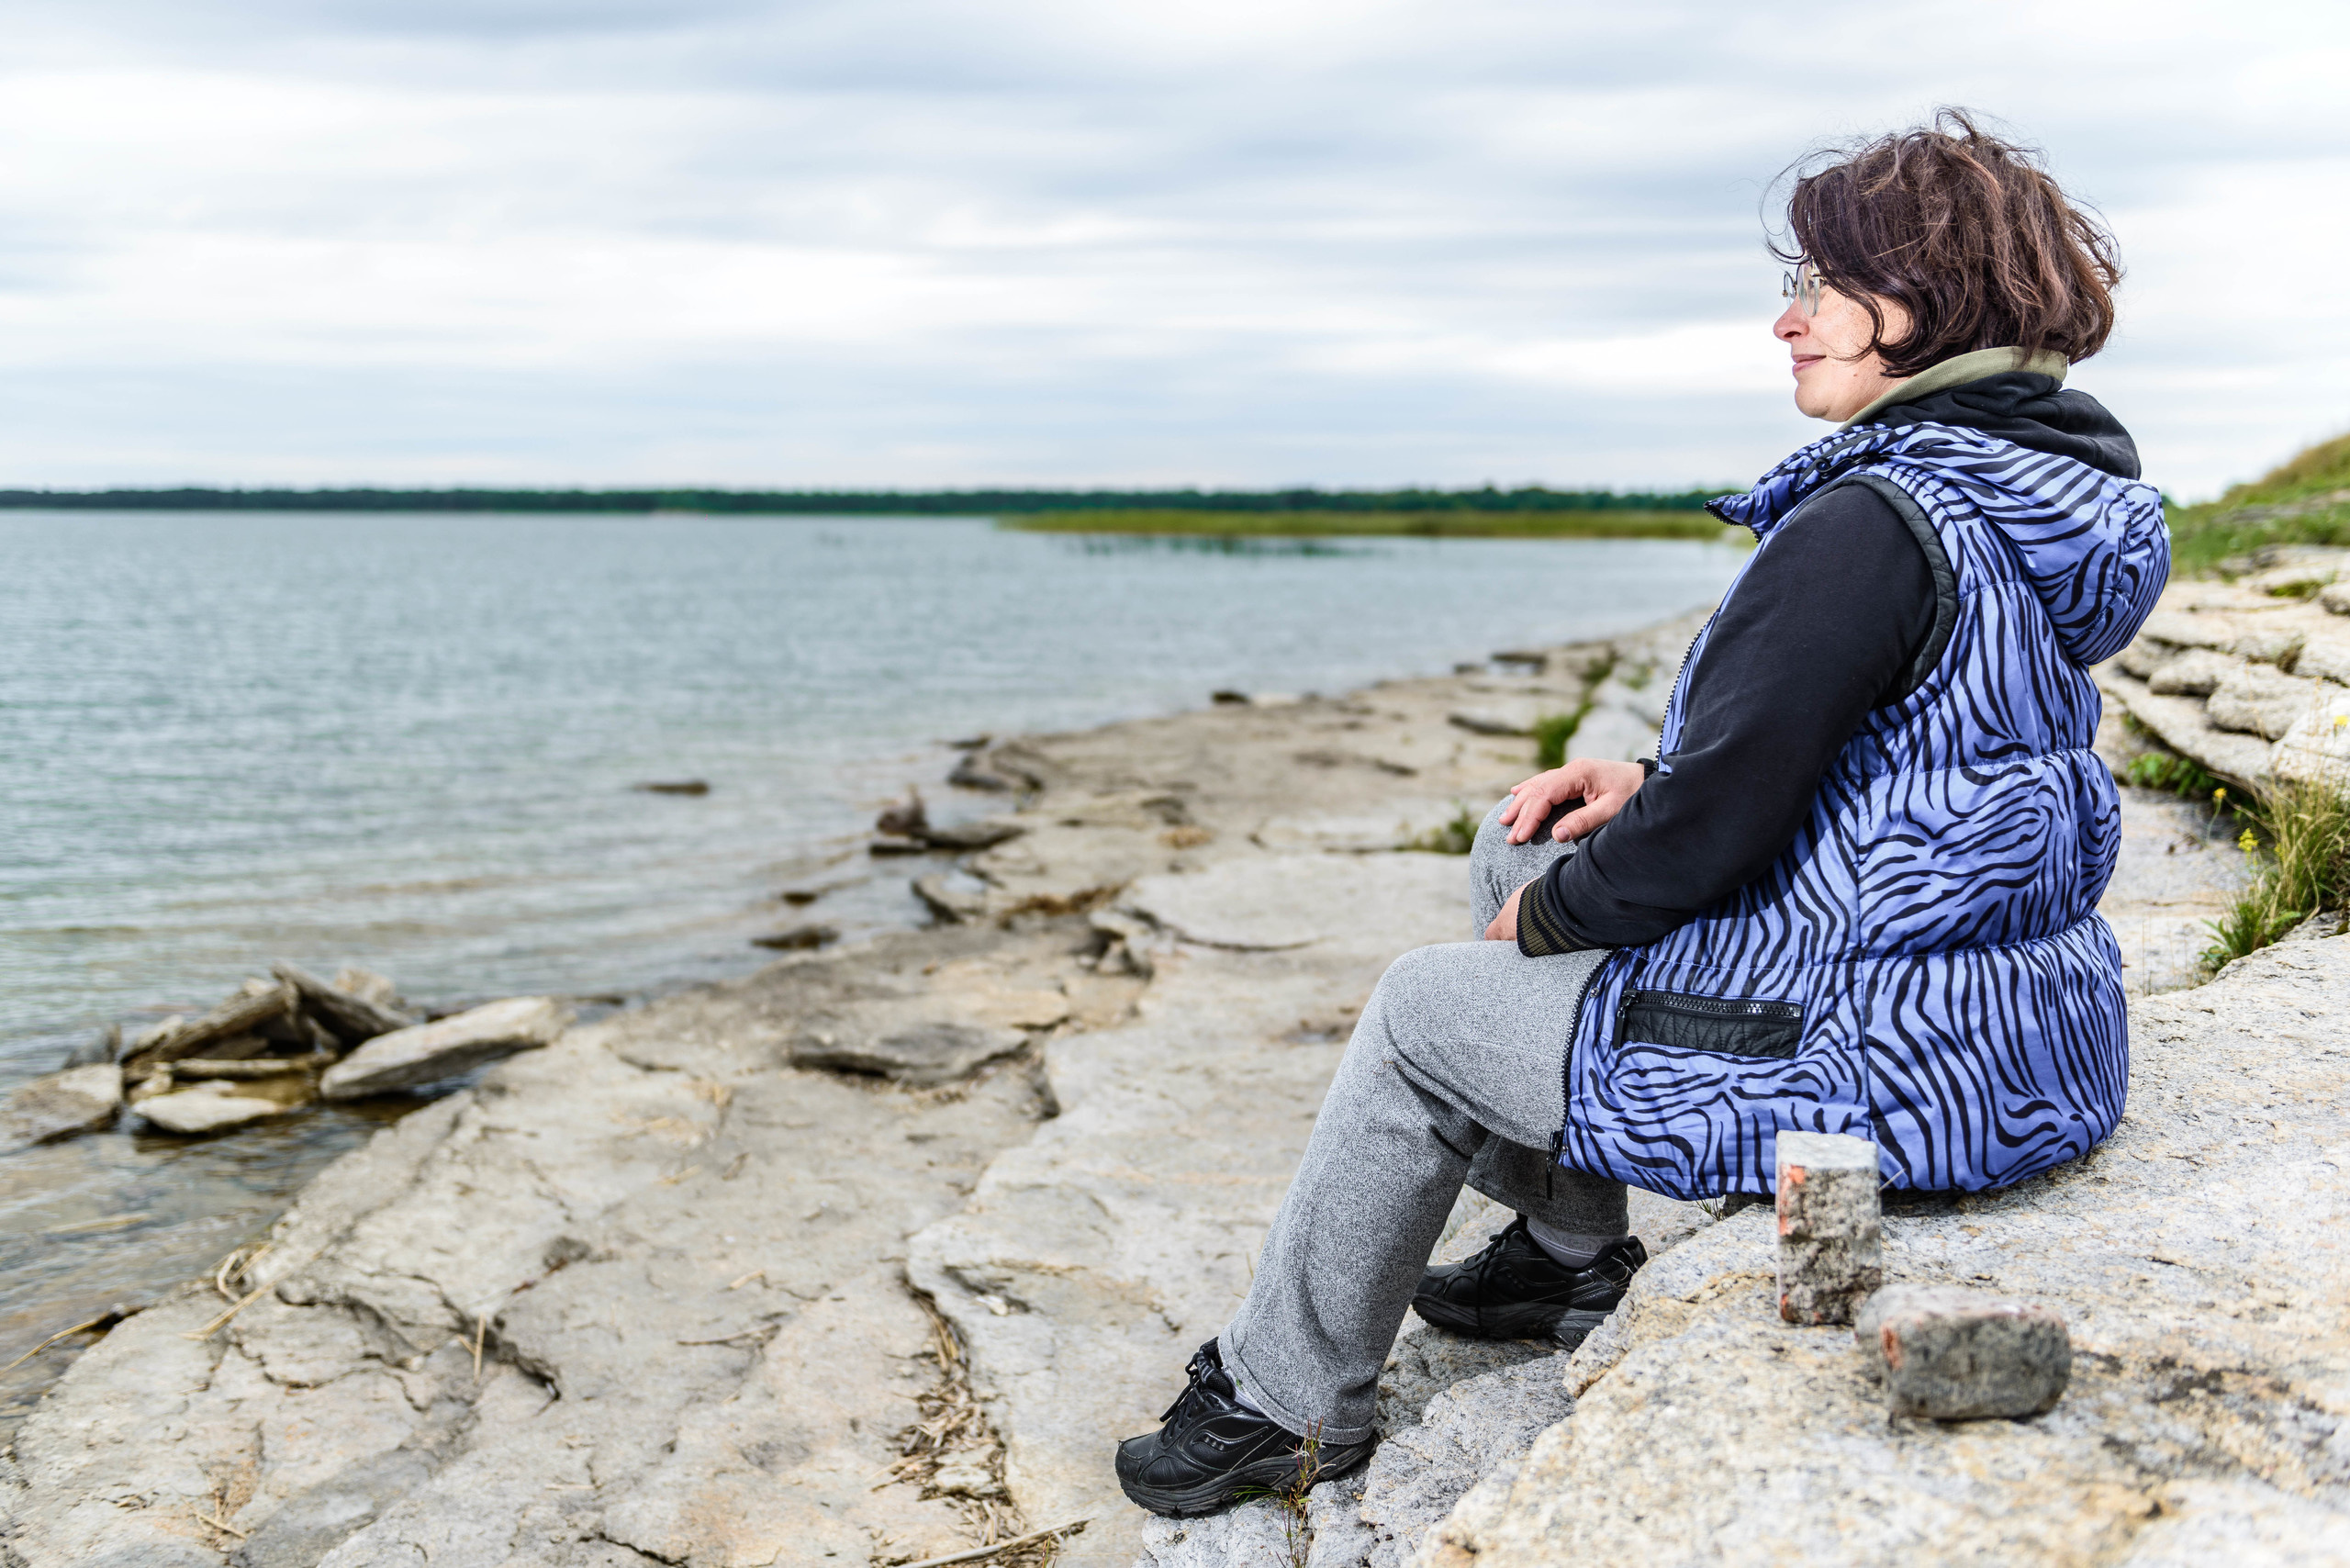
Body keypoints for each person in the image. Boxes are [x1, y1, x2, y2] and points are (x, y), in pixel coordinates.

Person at [1113, 108, 2170, 1520]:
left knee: (1429, 1007)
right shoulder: (2032, 494)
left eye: (1813, 285)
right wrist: (1631, 797)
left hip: (1870, 1074)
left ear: (1911, 300)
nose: (1784, 321)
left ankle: (1284, 1402)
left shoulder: (1869, 522)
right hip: (1994, 1027)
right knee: (1522, 838)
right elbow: (1903, 759)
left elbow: (1712, 837)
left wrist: (1552, 917)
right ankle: (1565, 1253)